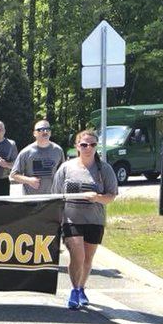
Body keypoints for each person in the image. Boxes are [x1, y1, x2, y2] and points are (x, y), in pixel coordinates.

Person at [51, 129, 117, 309]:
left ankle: (81, 288)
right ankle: (73, 290)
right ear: (77, 146)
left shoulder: (104, 169)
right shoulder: (66, 167)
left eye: (92, 145)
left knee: (88, 259)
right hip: (71, 219)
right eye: (84, 144)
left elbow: (111, 196)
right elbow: (56, 195)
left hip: (94, 219)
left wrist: (96, 198)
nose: (88, 148)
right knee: (77, 255)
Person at [10, 119, 65, 195]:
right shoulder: (26, 152)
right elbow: (14, 175)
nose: (45, 132)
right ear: (34, 133)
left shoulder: (58, 150)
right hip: (31, 200)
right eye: (41, 129)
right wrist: (29, 180)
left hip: (52, 198)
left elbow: (62, 175)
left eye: (47, 129)